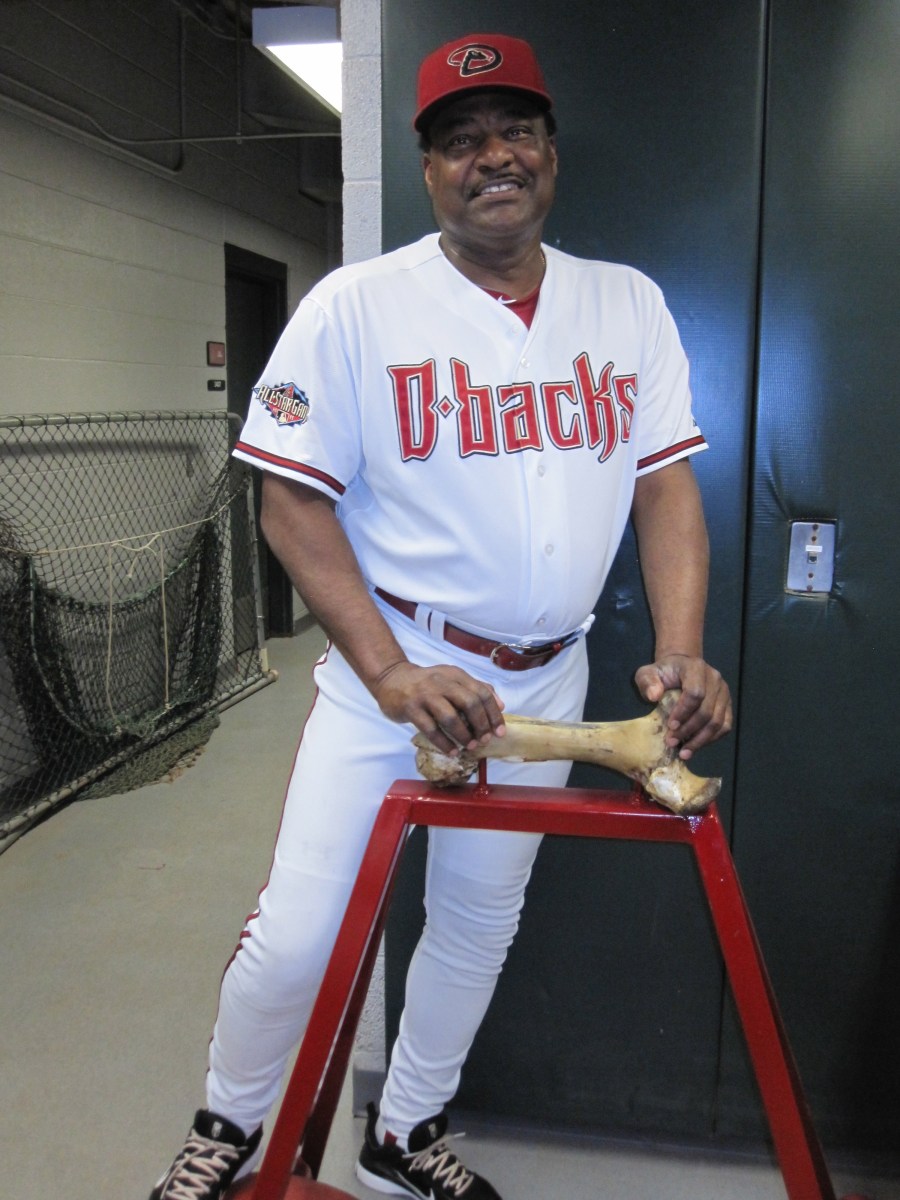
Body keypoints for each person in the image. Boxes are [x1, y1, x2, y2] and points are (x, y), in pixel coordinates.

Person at [148, 31, 732, 1200]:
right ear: (429, 173)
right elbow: (289, 503)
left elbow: (665, 487)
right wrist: (385, 673)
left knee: (477, 921)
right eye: (460, 142)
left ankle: (402, 1136)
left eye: (514, 132)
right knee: (304, 934)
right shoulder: (354, 308)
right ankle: (227, 1131)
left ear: (551, 154)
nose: (492, 158)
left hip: (549, 679)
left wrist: (679, 654)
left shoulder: (627, 305)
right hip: (399, 671)